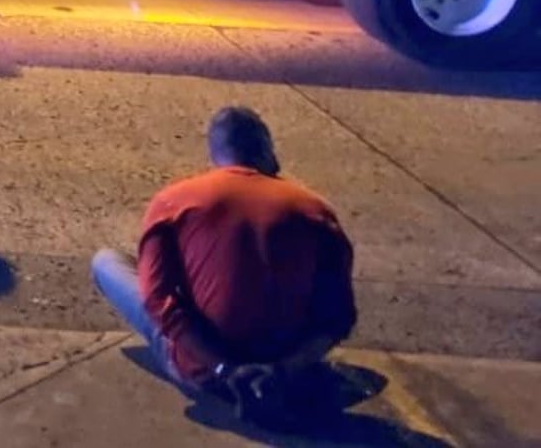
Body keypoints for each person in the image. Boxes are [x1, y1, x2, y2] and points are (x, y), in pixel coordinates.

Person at [91, 106, 356, 422]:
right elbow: (338, 316)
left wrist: (224, 368)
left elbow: (157, 299)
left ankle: (226, 374)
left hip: (207, 370)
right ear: (268, 153)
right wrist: (283, 370)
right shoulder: (315, 210)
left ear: (216, 155)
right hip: (283, 363)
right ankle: (272, 379)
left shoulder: (175, 200)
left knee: (107, 261)